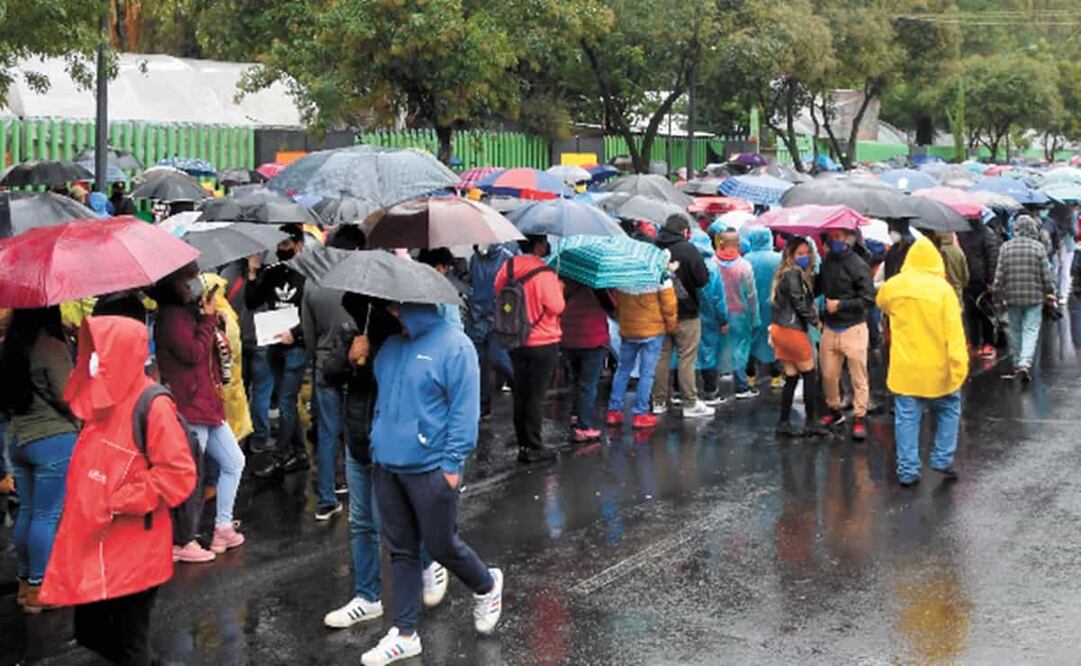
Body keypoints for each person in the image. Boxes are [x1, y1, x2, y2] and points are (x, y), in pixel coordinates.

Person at [40, 316, 197, 665]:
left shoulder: (152, 405)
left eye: (100, 350)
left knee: (130, 644)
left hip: (134, 548)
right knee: (90, 632)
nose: (92, 359)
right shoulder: (101, 399)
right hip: (99, 541)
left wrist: (119, 498)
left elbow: (178, 474)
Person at [361, 304, 502, 666]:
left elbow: (464, 411)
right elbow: (381, 402)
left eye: (395, 305)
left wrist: (452, 465)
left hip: (430, 469)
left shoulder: (456, 346)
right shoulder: (390, 347)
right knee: (402, 551)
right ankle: (405, 633)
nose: (390, 310)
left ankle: (486, 585)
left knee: (442, 546)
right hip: (387, 465)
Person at [321, 294, 449, 630]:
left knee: (391, 524)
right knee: (361, 522)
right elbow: (329, 373)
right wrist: (350, 358)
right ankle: (367, 597)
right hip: (356, 439)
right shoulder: (353, 328)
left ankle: (429, 561)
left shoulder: (404, 338)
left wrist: (374, 358)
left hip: (389, 444)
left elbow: (411, 384)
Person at [153, 266, 246, 561]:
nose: (193, 282)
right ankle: (182, 540)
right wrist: (206, 320)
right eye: (187, 278)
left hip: (207, 402)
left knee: (234, 461)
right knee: (190, 474)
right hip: (190, 403)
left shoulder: (188, 311)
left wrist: (208, 317)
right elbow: (192, 352)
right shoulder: (170, 316)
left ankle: (222, 526)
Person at [0, 307, 76, 612]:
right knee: (46, 516)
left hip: (19, 438)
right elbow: (68, 397)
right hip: (53, 440)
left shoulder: (9, 347)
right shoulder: (51, 347)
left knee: (29, 512)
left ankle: (24, 584)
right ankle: (39, 588)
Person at [876, 237, 968, 486]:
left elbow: (880, 301)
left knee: (906, 417)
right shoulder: (943, 290)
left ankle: (907, 470)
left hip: (905, 368)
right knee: (949, 409)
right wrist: (959, 366)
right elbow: (954, 333)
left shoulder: (895, 286)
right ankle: (942, 458)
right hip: (938, 369)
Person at [302, 230, 366, 520]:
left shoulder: (312, 282)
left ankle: (326, 499)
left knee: (327, 433)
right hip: (356, 362)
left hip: (325, 364)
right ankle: (357, 489)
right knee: (356, 425)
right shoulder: (359, 278)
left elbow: (308, 334)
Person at [494, 235, 565, 464]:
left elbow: (498, 291)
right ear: (539, 245)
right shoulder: (545, 273)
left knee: (520, 394)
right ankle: (534, 447)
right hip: (543, 342)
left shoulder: (509, 266)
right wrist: (560, 288)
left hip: (514, 339)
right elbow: (557, 306)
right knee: (535, 396)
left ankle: (523, 444)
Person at [246, 225, 310, 477]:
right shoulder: (271, 272)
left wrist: (294, 333)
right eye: (279, 244)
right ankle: (300, 452)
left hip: (296, 347)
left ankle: (281, 455)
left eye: (287, 244)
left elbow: (311, 313)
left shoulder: (308, 275)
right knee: (287, 403)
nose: (282, 248)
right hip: (274, 343)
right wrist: (253, 272)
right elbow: (253, 302)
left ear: (298, 245)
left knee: (285, 401)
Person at [816, 228, 875, 440]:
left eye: (838, 237)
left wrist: (840, 305)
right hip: (830, 327)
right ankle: (834, 411)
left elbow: (869, 299)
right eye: (831, 238)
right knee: (829, 375)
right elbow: (819, 286)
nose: (834, 241)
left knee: (859, 376)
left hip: (854, 327)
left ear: (848, 238)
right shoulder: (826, 261)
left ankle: (860, 417)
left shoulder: (858, 264)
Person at [652, 215, 713, 417]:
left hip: (660, 312)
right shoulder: (688, 249)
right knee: (687, 358)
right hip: (687, 313)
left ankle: (658, 401)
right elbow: (702, 279)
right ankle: (689, 402)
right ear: (684, 230)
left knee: (661, 358)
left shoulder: (654, 248)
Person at [770, 240, 825, 438]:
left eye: (807, 252)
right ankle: (811, 422)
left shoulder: (784, 273)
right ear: (791, 255)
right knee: (809, 374)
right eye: (800, 253)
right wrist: (815, 321)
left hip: (779, 329)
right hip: (792, 330)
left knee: (791, 377)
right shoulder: (793, 274)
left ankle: (783, 422)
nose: (805, 256)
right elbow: (798, 301)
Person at [607, 280, 678, 430]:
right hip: (652, 331)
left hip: (628, 330)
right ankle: (640, 413)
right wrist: (671, 326)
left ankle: (614, 411)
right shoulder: (660, 276)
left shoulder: (623, 276)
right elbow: (669, 305)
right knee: (647, 374)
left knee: (622, 371)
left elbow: (618, 305)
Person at [994, 215, 1056, 382]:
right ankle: (1025, 363)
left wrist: (997, 296)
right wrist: (1050, 292)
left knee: (1015, 329)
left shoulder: (1006, 247)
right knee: (1030, 329)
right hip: (1035, 296)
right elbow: (1046, 274)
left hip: (1012, 296)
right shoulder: (1038, 248)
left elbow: (999, 276)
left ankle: (1017, 362)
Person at [466, 243, 517, 417]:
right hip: (480, 317)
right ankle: (483, 404)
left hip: (492, 318)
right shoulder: (477, 259)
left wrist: (506, 313)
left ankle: (520, 390)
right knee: (481, 364)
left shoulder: (506, 258)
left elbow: (512, 292)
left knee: (497, 359)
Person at [561, 279, 614, 442]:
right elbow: (612, 305)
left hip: (568, 335)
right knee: (588, 384)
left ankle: (575, 414)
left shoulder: (564, 279)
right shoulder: (600, 283)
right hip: (593, 337)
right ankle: (584, 427)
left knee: (575, 378)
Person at [713, 229, 761, 401]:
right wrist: (755, 317)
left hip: (717, 314)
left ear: (721, 243)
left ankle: (713, 388)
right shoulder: (744, 266)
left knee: (717, 349)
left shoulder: (712, 263)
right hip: (739, 314)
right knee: (739, 350)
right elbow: (751, 295)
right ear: (738, 245)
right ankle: (741, 386)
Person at [744, 227, 783, 390]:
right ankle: (776, 377)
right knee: (774, 340)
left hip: (750, 306)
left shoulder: (746, 259)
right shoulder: (778, 259)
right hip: (774, 306)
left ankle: (750, 377)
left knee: (751, 341)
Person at [957, 214, 1002, 358]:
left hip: (979, 280)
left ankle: (985, 342)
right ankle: (976, 342)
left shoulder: (983, 234)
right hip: (971, 279)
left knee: (983, 314)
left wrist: (991, 280)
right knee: (973, 313)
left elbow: (992, 258)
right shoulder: (983, 233)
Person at [418, 247, 464, 329]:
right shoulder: (446, 293)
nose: (446, 273)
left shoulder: (411, 287)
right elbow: (454, 326)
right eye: (447, 269)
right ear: (439, 268)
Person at [931, 231, 969, 303]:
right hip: (956, 291)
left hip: (940, 293)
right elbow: (965, 275)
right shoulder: (958, 251)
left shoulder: (935, 251)